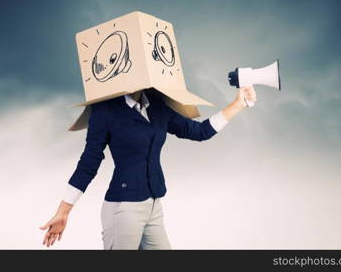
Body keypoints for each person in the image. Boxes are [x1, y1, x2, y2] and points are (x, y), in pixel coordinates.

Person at [40, 86, 257, 249]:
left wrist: (238, 104)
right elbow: (89, 162)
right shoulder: (105, 110)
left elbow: (200, 132)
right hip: (123, 208)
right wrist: (63, 211)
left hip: (154, 205)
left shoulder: (156, 103)